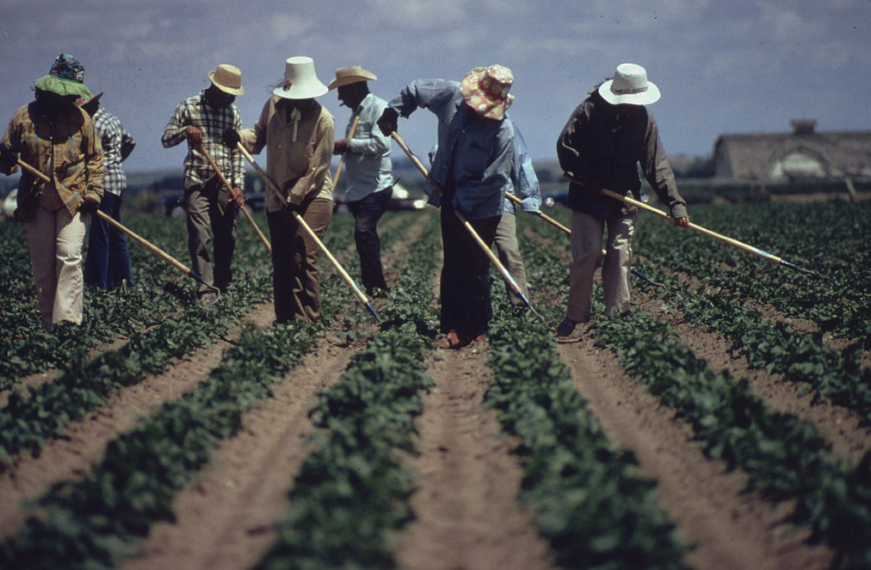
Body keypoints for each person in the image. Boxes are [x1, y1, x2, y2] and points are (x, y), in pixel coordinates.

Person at [378, 64, 515, 349]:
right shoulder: (451, 95)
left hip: (484, 203)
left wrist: (463, 200)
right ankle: (452, 327)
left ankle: (478, 329)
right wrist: (393, 111)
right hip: (448, 192)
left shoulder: (502, 129)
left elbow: (497, 177)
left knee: (476, 266)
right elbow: (416, 89)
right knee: (453, 263)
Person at [555, 63, 689, 337]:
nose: (631, 106)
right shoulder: (589, 109)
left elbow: (656, 164)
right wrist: (588, 178)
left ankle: (616, 317)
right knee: (589, 253)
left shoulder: (644, 119)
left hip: (624, 196)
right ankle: (575, 315)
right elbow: (565, 146)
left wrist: (675, 203)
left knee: (620, 254)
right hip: (587, 194)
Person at [0, 54, 104, 331]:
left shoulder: (81, 118)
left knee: (69, 256)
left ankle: (67, 323)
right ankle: (50, 326)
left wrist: (93, 194)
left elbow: (95, 159)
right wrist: (5, 158)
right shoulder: (23, 117)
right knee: (44, 265)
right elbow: (7, 158)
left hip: (74, 199)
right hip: (36, 201)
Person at [230, 56, 334, 323]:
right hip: (277, 194)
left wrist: (296, 195)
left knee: (301, 255)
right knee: (282, 260)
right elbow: (258, 136)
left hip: (313, 196)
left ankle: (308, 319)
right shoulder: (273, 106)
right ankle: (286, 321)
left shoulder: (324, 120)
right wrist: (238, 137)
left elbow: (318, 168)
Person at [161, 64, 246, 306]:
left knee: (228, 235)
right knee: (199, 235)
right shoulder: (188, 106)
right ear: (215, 88)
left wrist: (238, 185)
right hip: (197, 180)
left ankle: (222, 281)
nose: (231, 99)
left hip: (224, 182)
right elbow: (166, 139)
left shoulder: (233, 113)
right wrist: (185, 131)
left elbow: (237, 152)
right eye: (228, 94)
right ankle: (206, 290)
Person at [329, 65, 394, 297]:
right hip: (357, 189)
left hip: (377, 186)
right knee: (364, 235)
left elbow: (382, 144)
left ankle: (378, 285)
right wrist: (345, 147)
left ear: (354, 88)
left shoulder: (379, 108)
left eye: (342, 92)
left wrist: (349, 144)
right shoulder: (355, 113)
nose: (339, 98)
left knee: (363, 231)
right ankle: (371, 284)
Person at [79, 91, 137, 290]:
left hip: (103, 186)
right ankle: (125, 282)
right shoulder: (112, 119)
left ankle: (98, 285)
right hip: (118, 182)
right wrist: (115, 161)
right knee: (115, 234)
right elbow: (130, 142)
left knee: (100, 236)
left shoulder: (94, 125)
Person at [494, 119, 541, 307]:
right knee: (473, 259)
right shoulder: (460, 121)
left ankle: (520, 306)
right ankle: (475, 312)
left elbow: (521, 160)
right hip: (468, 201)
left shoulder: (507, 125)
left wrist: (530, 195)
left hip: (501, 199)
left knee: (508, 250)